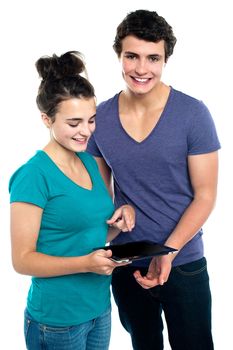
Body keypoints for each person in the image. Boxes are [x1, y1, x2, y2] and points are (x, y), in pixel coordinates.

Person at [87, 9, 220, 350]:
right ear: (119, 55)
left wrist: (169, 252)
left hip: (184, 261)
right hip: (126, 262)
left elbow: (205, 195)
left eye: (153, 58)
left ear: (165, 60)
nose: (142, 69)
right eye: (132, 56)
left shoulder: (193, 114)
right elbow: (100, 200)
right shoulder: (99, 118)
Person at [9, 50, 135, 350]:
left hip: (98, 309)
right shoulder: (33, 176)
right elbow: (22, 260)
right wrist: (85, 264)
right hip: (56, 319)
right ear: (46, 119)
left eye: (91, 120)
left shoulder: (89, 162)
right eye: (74, 123)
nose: (86, 131)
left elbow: (91, 235)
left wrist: (121, 219)